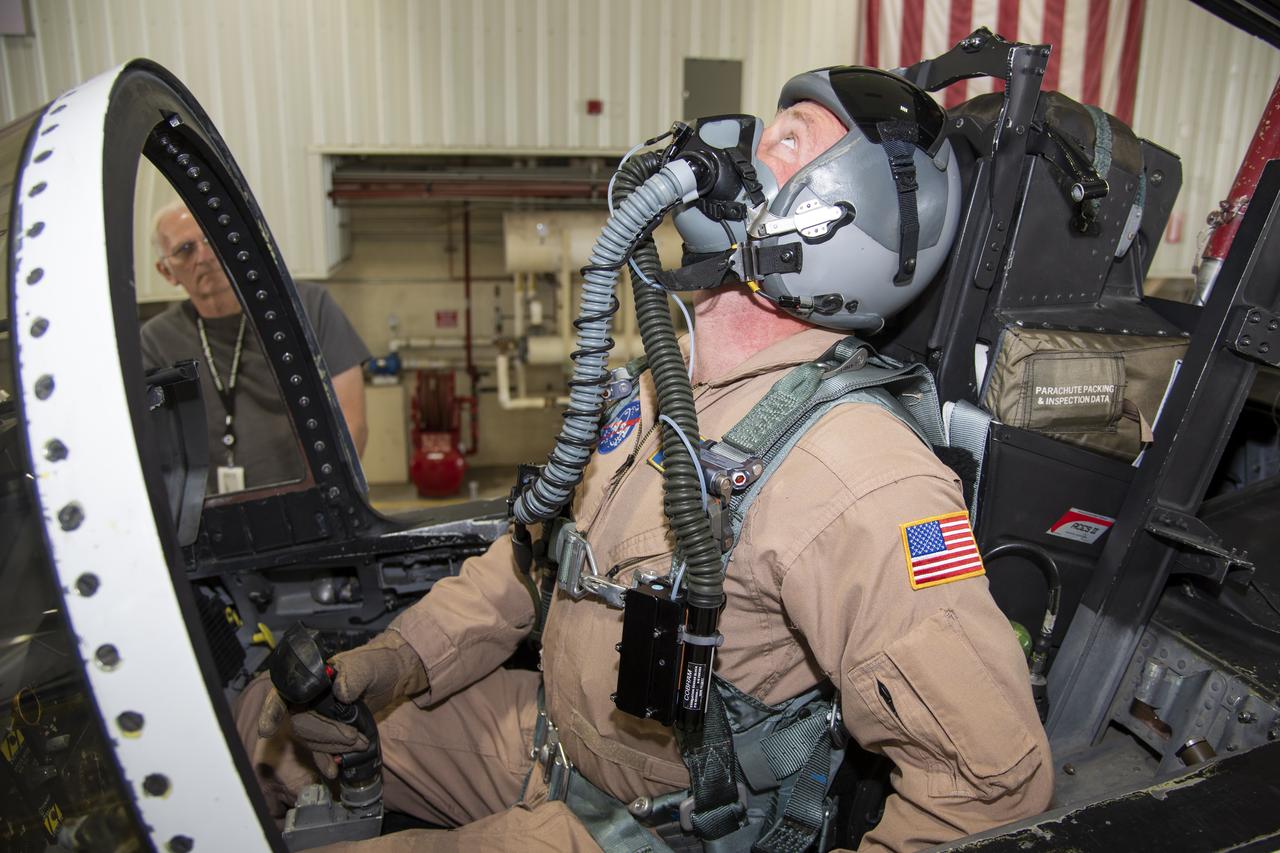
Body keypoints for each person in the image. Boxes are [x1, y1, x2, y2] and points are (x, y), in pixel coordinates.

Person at [244, 67, 1053, 851]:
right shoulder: (661, 391)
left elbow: (989, 785)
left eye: (783, 142)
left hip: (657, 824)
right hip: (553, 746)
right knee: (267, 725)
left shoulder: (857, 473)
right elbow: (534, 566)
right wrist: (401, 658)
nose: (728, 154)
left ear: (838, 213)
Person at [141, 201, 370, 494]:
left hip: (313, 507)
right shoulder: (157, 340)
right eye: (185, 249)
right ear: (166, 271)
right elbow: (160, 449)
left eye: (212, 239)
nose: (205, 256)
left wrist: (316, 502)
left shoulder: (308, 309)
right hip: (217, 521)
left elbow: (351, 425)